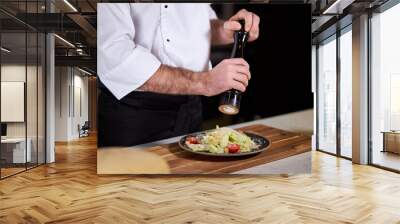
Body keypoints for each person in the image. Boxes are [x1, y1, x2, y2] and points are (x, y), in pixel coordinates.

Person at [97, 3, 260, 147]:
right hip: (135, 114)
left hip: (191, 107)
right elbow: (115, 54)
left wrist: (225, 31)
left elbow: (198, 22)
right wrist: (204, 82)